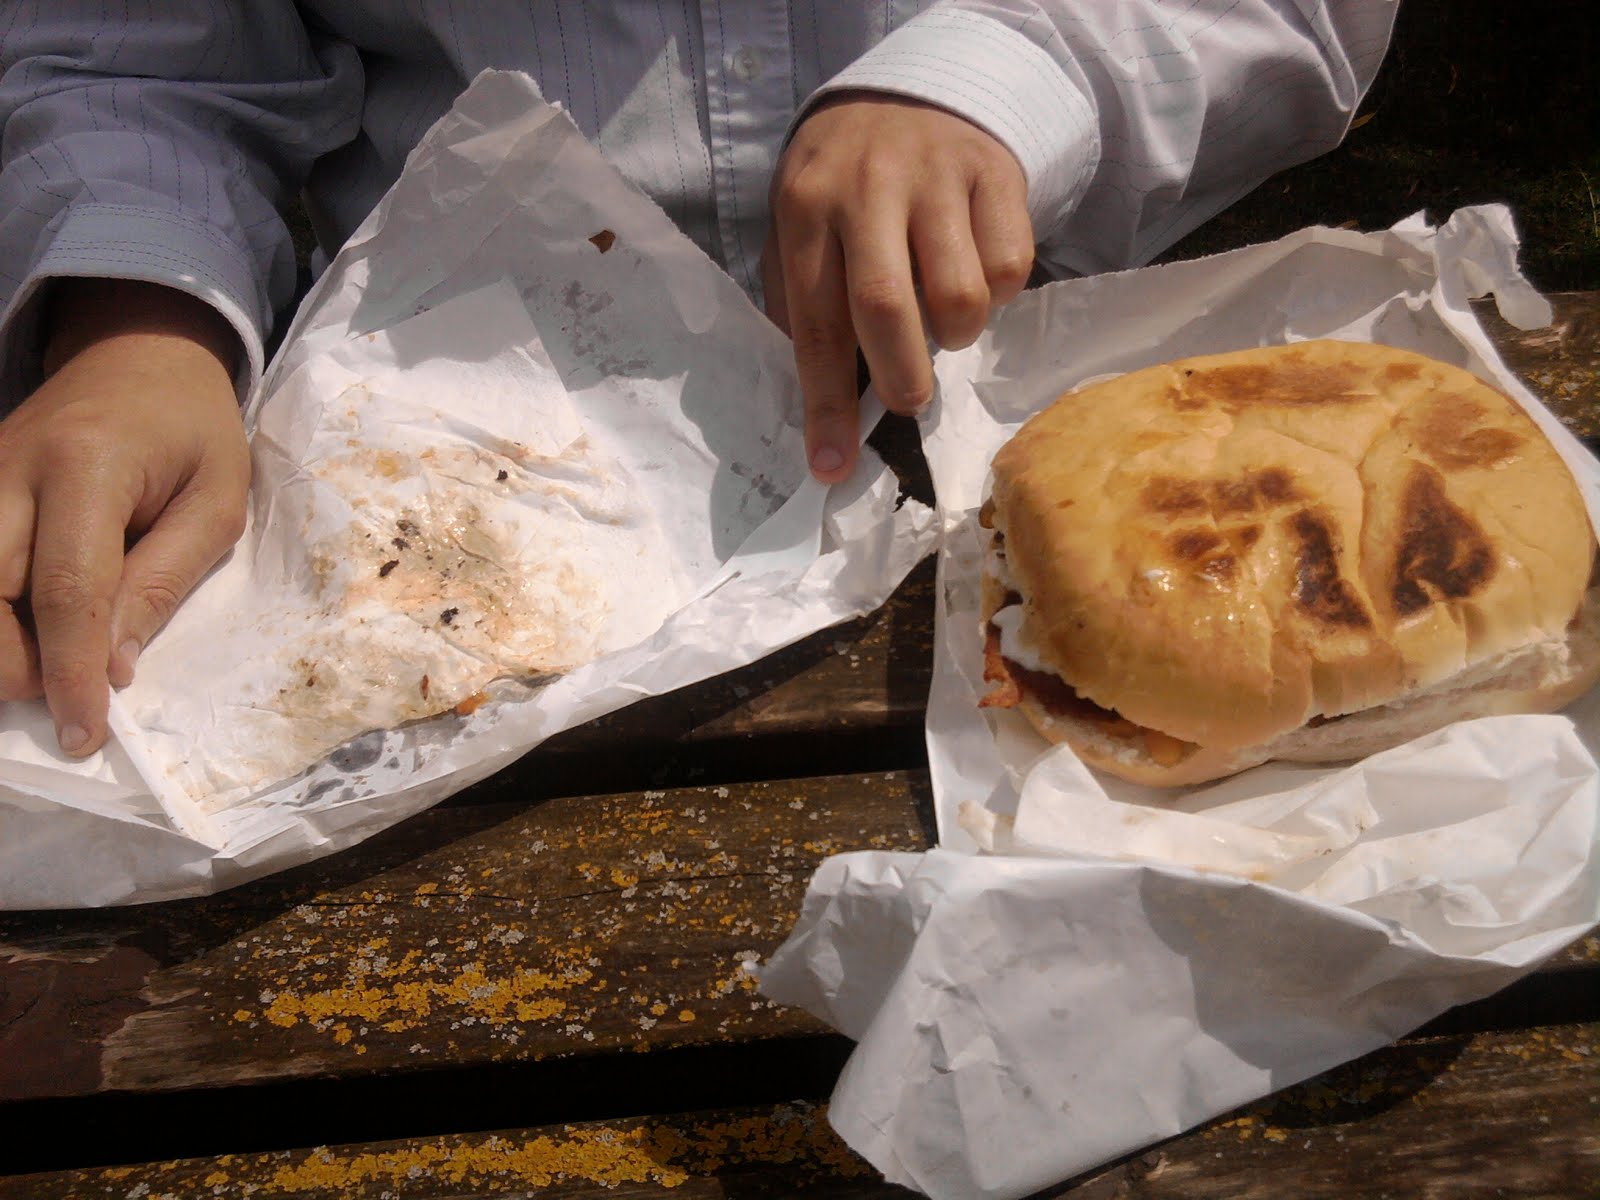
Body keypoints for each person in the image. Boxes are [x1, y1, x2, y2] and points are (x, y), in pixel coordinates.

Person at [0, 1, 1398, 758]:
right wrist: (136, 320)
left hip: (1089, 464)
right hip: (413, 481)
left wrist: (1005, 72)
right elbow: (134, 56)